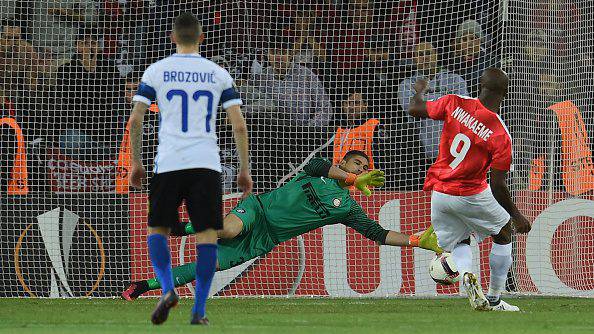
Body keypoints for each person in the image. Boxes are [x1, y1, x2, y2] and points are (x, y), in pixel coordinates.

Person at [121, 151, 442, 299]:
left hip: (266, 238)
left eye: (365, 167)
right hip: (258, 209)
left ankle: (143, 286)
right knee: (230, 228)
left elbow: (378, 234)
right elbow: (317, 163)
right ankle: (180, 227)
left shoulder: (347, 208)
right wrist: (354, 178)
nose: (362, 168)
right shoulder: (317, 172)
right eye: (357, 163)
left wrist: (415, 241)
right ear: (343, 163)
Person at [127, 12, 252, 325]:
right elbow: (238, 125)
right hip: (206, 164)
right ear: (201, 38)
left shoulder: (157, 70)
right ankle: (199, 310)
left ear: (172, 38)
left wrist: (136, 162)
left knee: (158, 230)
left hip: (168, 163)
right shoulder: (217, 73)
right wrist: (244, 168)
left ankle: (168, 289)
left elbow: (135, 120)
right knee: (208, 237)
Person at [408, 68, 531, 311]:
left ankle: (466, 275)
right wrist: (517, 216)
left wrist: (419, 92)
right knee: (503, 231)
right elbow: (497, 184)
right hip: (470, 193)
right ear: (505, 93)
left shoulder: (454, 103)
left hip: (440, 192)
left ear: (479, 85)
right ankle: (495, 298)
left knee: (460, 240)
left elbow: (414, 109)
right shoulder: (500, 134)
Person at [399, 41, 468, 161]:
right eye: (420, 54)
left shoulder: (455, 80)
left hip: (457, 153)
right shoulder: (406, 85)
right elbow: (412, 110)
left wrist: (423, 102)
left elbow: (462, 111)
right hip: (423, 156)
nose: (425, 57)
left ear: (436, 55)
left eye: (428, 53)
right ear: (414, 59)